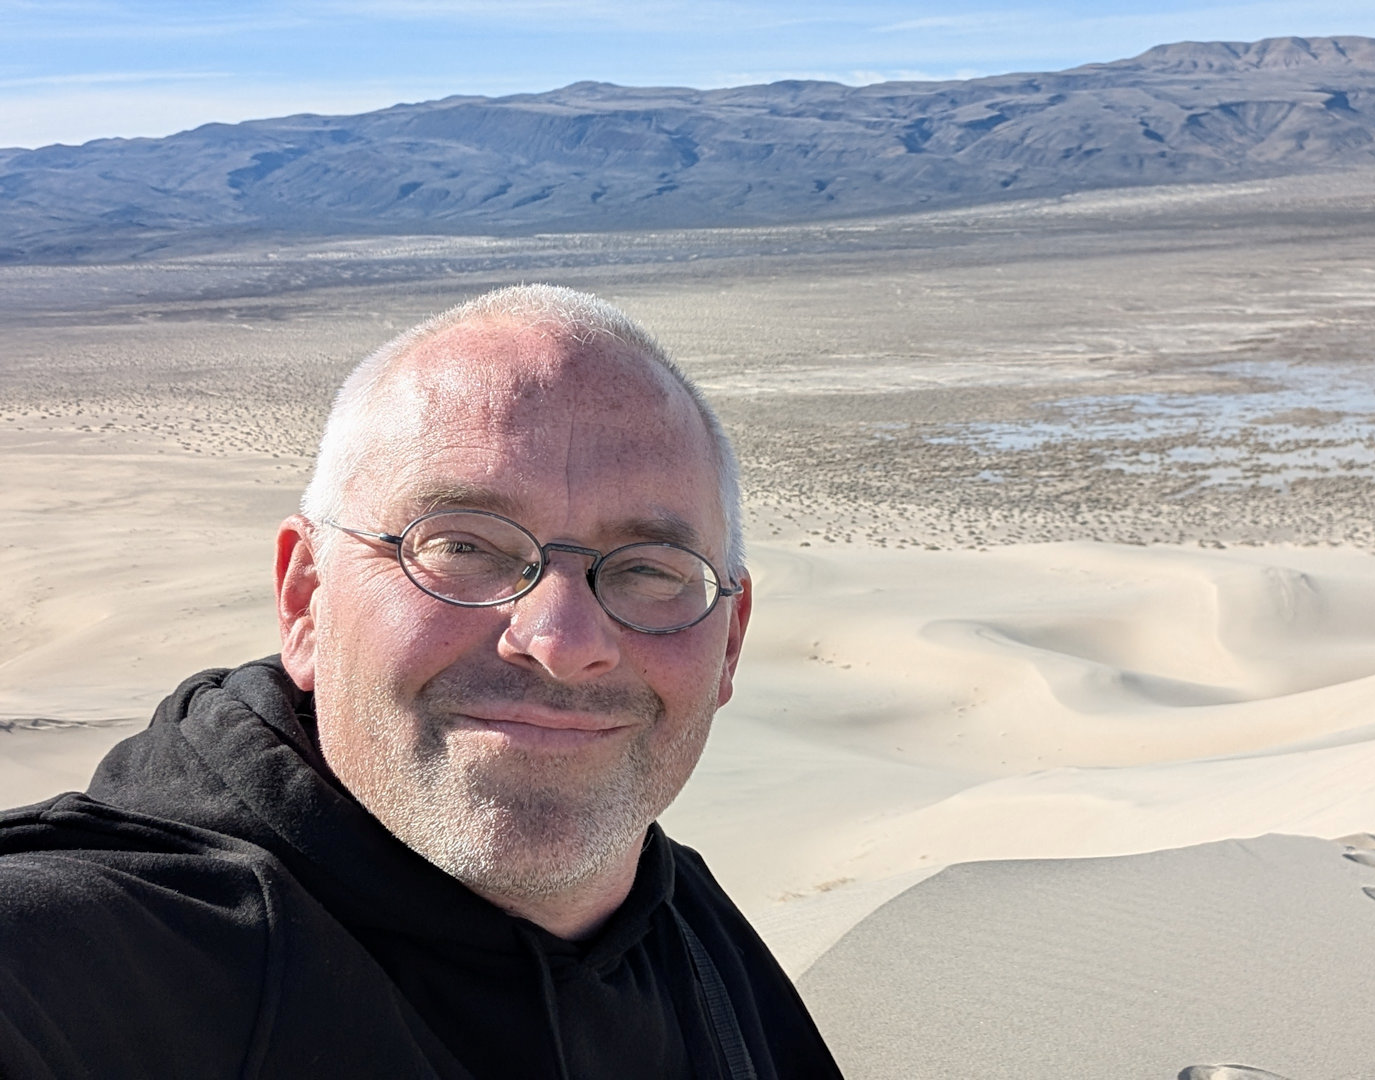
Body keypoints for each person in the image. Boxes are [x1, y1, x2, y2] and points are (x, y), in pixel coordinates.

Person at [0, 285, 842, 1079]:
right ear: (305, 598)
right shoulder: (96, 954)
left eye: (650, 569)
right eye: (464, 546)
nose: (561, 641)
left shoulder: (688, 930)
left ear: (729, 642)